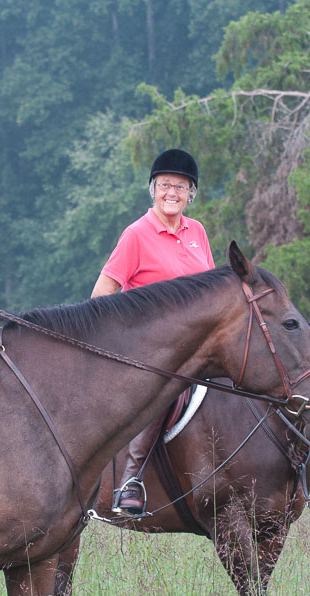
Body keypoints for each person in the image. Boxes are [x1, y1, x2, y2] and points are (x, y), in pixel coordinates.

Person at [91, 148, 214, 514]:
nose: (171, 192)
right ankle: (131, 478)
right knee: (166, 382)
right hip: (149, 348)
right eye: (164, 185)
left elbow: (208, 290)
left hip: (198, 343)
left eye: (180, 186)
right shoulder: (137, 235)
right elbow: (101, 295)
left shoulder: (198, 232)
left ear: (190, 193)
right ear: (153, 189)